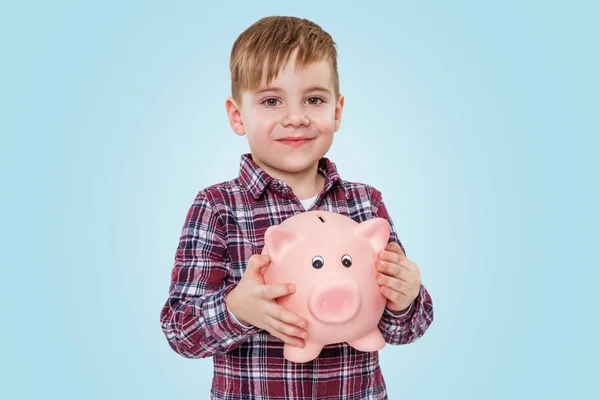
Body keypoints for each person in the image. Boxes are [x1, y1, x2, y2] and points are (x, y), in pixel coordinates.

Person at [160, 15, 434, 399]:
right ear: (237, 115)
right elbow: (179, 331)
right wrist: (237, 309)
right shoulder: (217, 207)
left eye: (314, 99)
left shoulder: (365, 203)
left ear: (337, 111)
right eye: (271, 101)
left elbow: (406, 329)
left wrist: (406, 299)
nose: (296, 117)